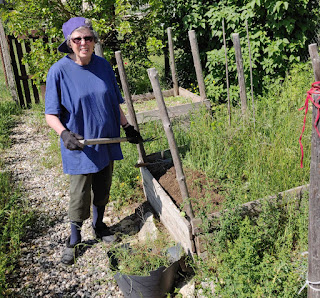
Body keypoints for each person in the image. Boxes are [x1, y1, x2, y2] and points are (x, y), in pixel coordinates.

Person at [45, 17, 142, 265]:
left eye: (88, 38)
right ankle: (75, 237)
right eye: (77, 39)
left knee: (103, 187)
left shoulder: (103, 66)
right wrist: (64, 133)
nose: (83, 43)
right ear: (69, 42)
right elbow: (50, 114)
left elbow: (113, 103)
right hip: (79, 144)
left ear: (94, 40)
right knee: (79, 194)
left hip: (107, 140)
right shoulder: (59, 71)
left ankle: (99, 226)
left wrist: (127, 126)